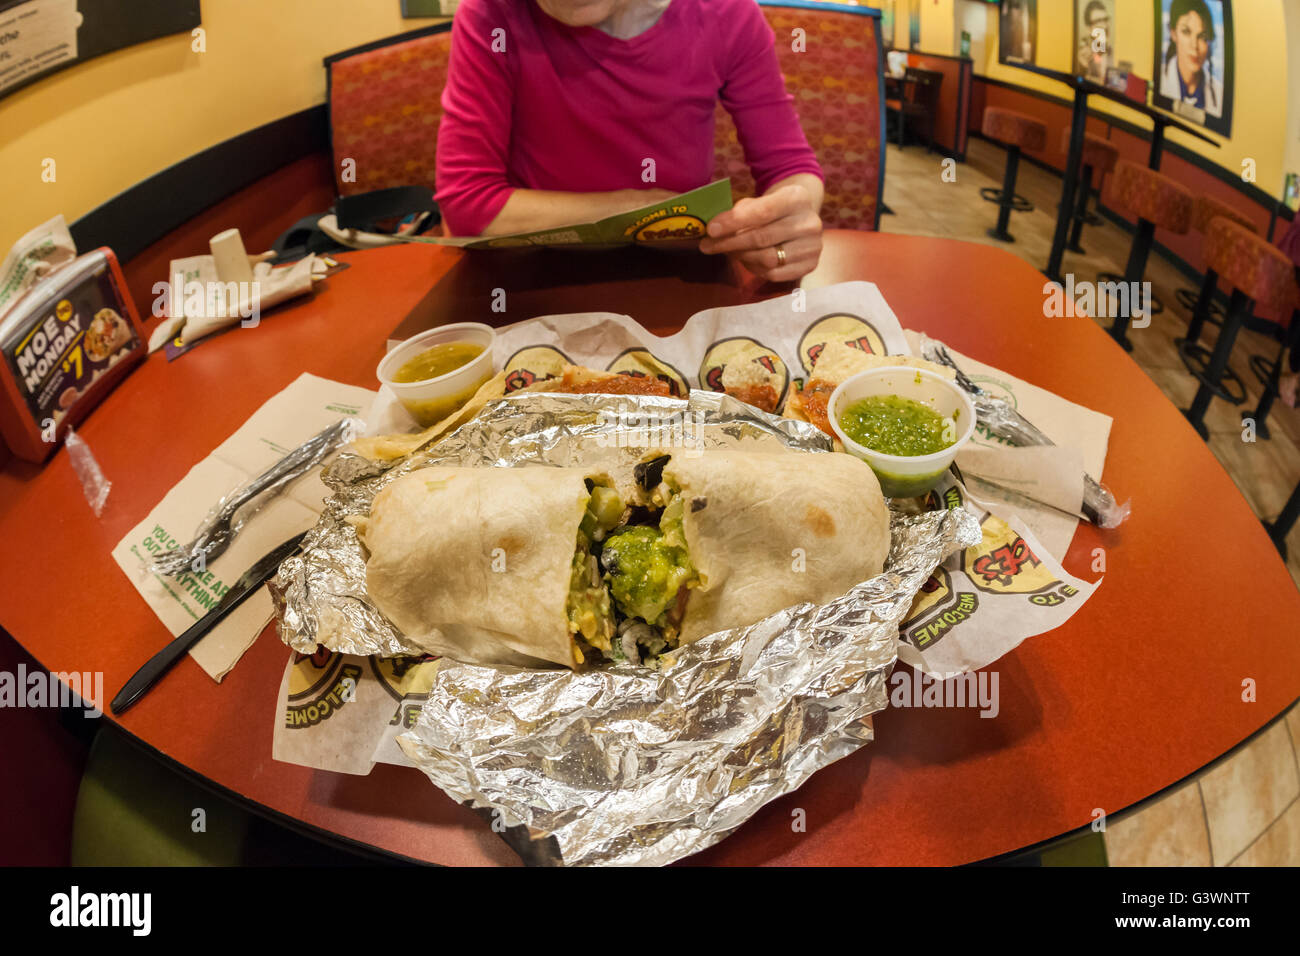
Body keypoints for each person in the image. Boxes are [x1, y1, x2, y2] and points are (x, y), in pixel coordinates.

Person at [435, 0, 826, 281]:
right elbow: (468, 204)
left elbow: (790, 169)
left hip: (678, 277)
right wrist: (639, 207)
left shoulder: (727, 14)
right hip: (528, 274)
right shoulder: (491, 15)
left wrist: (790, 218)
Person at [1159, 0, 1224, 118]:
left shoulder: (1219, 93)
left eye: (1202, 36)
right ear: (1173, 34)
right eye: (1186, 32)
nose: (1194, 46)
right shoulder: (1161, 78)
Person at [1075, 0, 1111, 83]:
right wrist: (1082, 69)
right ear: (1089, 29)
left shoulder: (1112, 53)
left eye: (1105, 19)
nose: (1104, 25)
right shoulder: (1083, 55)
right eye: (1098, 21)